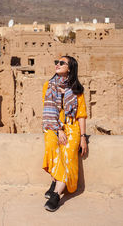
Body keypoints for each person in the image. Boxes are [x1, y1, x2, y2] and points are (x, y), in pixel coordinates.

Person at [42, 55, 88, 212]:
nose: (57, 65)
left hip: (72, 127)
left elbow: (81, 115)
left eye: (62, 63)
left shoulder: (77, 89)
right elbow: (49, 110)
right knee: (51, 146)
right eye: (57, 62)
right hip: (54, 126)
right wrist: (58, 129)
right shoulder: (48, 85)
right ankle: (56, 181)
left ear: (70, 68)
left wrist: (83, 138)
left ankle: (56, 195)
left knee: (68, 155)